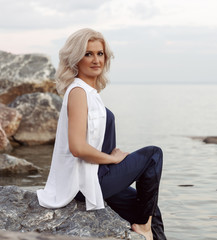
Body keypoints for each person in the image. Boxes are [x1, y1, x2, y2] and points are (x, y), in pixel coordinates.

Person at [37, 28, 166, 240]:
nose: (96, 59)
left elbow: (94, 141)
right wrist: (113, 159)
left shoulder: (91, 94)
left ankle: (148, 227)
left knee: (151, 208)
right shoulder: (78, 92)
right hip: (85, 182)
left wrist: (112, 155)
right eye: (88, 54)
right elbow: (77, 148)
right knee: (153, 155)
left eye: (100, 53)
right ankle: (143, 226)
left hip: (99, 177)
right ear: (76, 59)